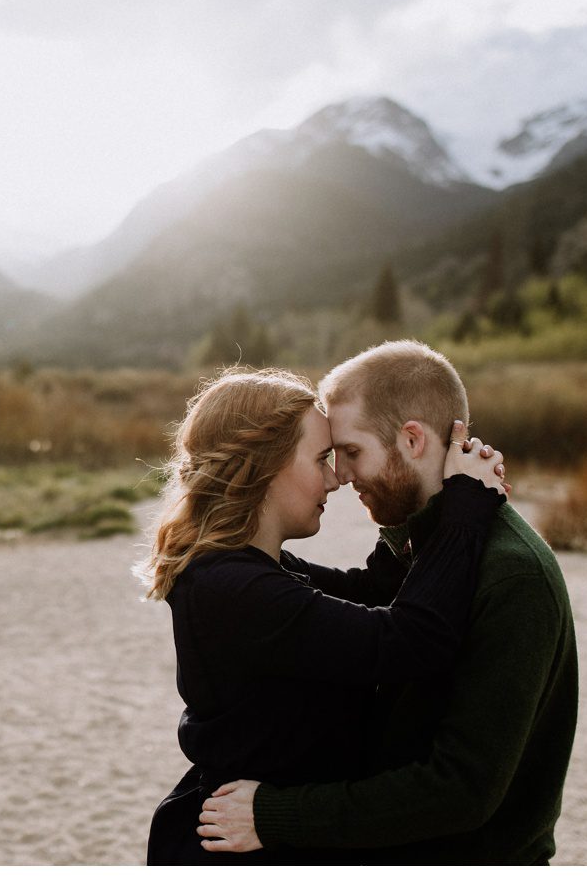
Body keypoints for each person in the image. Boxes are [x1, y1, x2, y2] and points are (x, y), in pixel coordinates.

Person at [194, 340, 577, 863]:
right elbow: (364, 599)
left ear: (412, 439)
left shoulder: (511, 574)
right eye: (331, 457)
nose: (342, 476)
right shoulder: (434, 552)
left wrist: (279, 815)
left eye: (351, 452)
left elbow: (461, 790)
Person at [138, 367, 509, 864]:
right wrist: (465, 514)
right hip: (242, 846)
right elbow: (410, 642)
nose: (337, 477)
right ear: (264, 467)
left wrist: (420, 493)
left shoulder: (250, 570)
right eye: (320, 459)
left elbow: (372, 591)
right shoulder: (233, 589)